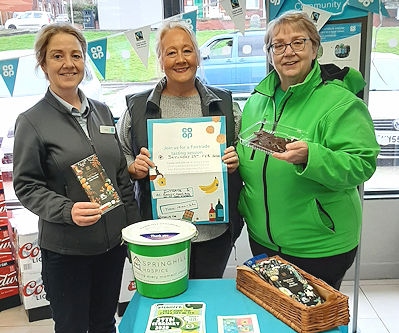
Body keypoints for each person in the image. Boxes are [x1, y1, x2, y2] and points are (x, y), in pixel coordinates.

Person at [12, 24, 140, 333]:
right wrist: (66, 210)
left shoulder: (102, 112)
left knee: (105, 327)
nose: (68, 63)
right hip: (66, 249)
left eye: (75, 55)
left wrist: (131, 229)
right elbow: (26, 185)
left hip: (109, 246)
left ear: (85, 60)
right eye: (57, 56)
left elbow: (119, 173)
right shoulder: (32, 121)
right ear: (43, 64)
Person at [236, 10, 379, 290]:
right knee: (278, 318)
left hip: (318, 245)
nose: (288, 52)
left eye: (298, 42)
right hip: (263, 241)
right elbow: (247, 153)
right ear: (269, 54)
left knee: (314, 326)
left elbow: (362, 165)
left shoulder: (340, 102)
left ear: (315, 48)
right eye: (278, 45)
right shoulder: (257, 101)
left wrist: (311, 156)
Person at [117, 20, 243, 279]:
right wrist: (133, 167)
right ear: (160, 60)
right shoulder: (138, 108)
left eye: (187, 50)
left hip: (214, 231)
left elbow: (242, 148)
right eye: (171, 52)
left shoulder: (225, 105)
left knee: (206, 297)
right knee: (167, 301)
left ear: (198, 55)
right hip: (160, 233)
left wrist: (236, 158)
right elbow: (120, 154)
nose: (180, 59)